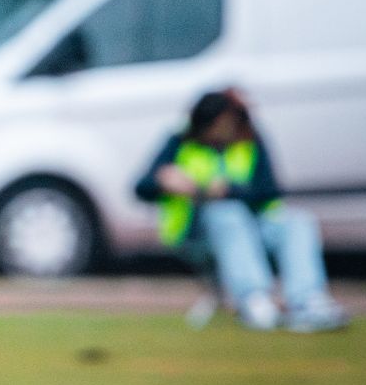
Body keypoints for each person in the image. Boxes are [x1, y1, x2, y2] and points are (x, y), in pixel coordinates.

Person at [135, 89, 347, 332]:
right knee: (227, 215)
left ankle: (307, 301)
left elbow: (269, 191)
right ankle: (254, 300)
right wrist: (165, 182)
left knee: (298, 220)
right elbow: (141, 187)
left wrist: (230, 190)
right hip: (199, 236)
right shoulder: (180, 141)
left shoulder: (250, 140)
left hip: (255, 228)